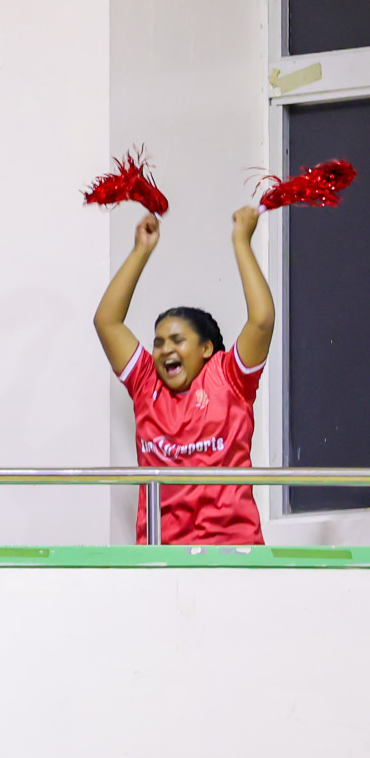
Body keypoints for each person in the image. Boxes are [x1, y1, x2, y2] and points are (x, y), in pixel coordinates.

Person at [93, 208, 273, 544]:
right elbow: (107, 322)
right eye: (158, 342)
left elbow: (261, 321)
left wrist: (242, 242)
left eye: (177, 340)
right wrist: (140, 251)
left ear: (206, 349)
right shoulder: (146, 383)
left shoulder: (230, 377)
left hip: (232, 551)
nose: (164, 350)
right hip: (161, 554)